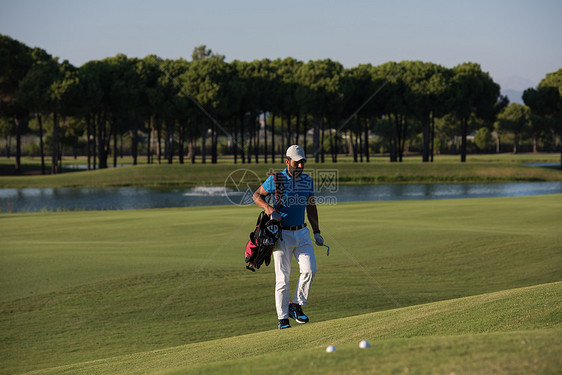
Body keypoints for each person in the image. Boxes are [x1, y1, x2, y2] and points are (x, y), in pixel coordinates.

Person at [252, 145, 324, 329]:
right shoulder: (276, 179)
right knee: (283, 278)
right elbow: (256, 195)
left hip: (302, 233)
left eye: (303, 162)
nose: (300, 166)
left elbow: (311, 207)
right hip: (281, 234)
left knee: (310, 270)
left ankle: (295, 305)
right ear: (287, 162)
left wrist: (316, 231)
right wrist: (268, 209)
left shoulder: (308, 181)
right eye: (296, 162)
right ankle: (282, 319)